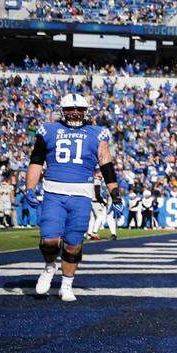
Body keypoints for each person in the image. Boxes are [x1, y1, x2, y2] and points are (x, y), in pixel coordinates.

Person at [23, 93, 123, 302]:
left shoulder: (98, 133)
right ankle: (49, 267)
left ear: (86, 111)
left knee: (73, 244)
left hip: (82, 195)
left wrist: (115, 194)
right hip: (54, 192)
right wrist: (30, 188)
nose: (75, 112)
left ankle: (67, 284)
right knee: (49, 240)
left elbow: (106, 164)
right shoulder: (48, 130)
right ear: (62, 110)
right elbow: (36, 161)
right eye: (70, 109)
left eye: (79, 109)